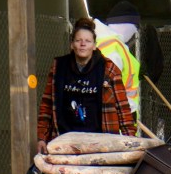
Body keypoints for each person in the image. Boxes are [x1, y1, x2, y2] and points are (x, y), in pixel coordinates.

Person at [37, 17, 136, 154]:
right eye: (78, 40)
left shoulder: (109, 69)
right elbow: (47, 104)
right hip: (64, 140)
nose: (83, 44)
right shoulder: (59, 66)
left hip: (99, 143)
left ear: (94, 45)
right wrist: (42, 137)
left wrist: (130, 141)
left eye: (88, 41)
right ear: (72, 44)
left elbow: (123, 109)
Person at [94, 5, 142, 115]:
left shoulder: (100, 42)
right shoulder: (114, 48)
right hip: (117, 119)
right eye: (135, 27)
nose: (134, 32)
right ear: (126, 25)